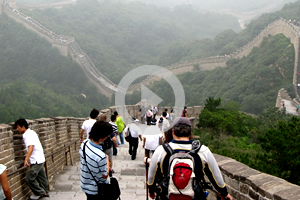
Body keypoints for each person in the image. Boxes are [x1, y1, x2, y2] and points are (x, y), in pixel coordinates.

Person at [147, 117, 233, 200]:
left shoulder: (161, 150)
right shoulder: (202, 151)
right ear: (190, 132)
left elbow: (152, 176)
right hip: (196, 197)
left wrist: (151, 190)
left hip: (168, 196)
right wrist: (224, 193)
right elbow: (215, 176)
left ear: (173, 132)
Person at [14, 118, 49, 200]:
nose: (17, 129)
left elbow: (31, 147)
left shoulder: (27, 134)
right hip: (40, 158)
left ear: (22, 126)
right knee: (41, 178)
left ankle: (41, 192)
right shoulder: (32, 132)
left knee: (29, 178)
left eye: (18, 127)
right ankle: (45, 193)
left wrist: (26, 159)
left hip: (36, 160)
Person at [79, 120, 112, 200]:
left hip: (85, 184)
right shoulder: (101, 156)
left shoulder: (84, 143)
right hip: (96, 190)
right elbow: (104, 176)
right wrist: (107, 160)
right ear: (104, 137)